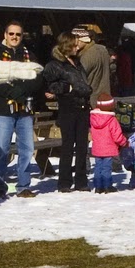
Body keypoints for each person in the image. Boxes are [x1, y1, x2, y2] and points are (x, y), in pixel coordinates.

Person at [0, 21, 44, 199]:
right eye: (11, 34)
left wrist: (24, 90)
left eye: (18, 34)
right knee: (2, 148)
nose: (14, 37)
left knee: (27, 148)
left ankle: (23, 185)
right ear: (5, 34)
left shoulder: (29, 55)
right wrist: (12, 91)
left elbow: (38, 77)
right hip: (3, 109)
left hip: (24, 109)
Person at [42, 31, 93, 192]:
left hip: (83, 106)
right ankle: (64, 182)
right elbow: (50, 85)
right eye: (74, 44)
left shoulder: (76, 62)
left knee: (82, 146)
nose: (77, 47)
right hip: (68, 108)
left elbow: (83, 82)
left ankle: (81, 180)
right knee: (68, 146)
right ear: (67, 46)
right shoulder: (55, 64)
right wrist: (67, 88)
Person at [88, 96, 127, 193]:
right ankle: (107, 186)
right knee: (106, 168)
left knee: (98, 167)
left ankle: (98, 186)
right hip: (108, 148)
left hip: (97, 147)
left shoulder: (93, 118)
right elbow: (117, 136)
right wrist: (124, 142)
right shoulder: (112, 120)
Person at [76, 25, 112, 102]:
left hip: (91, 99)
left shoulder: (87, 55)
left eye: (77, 40)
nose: (75, 43)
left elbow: (79, 78)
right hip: (105, 96)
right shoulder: (103, 50)